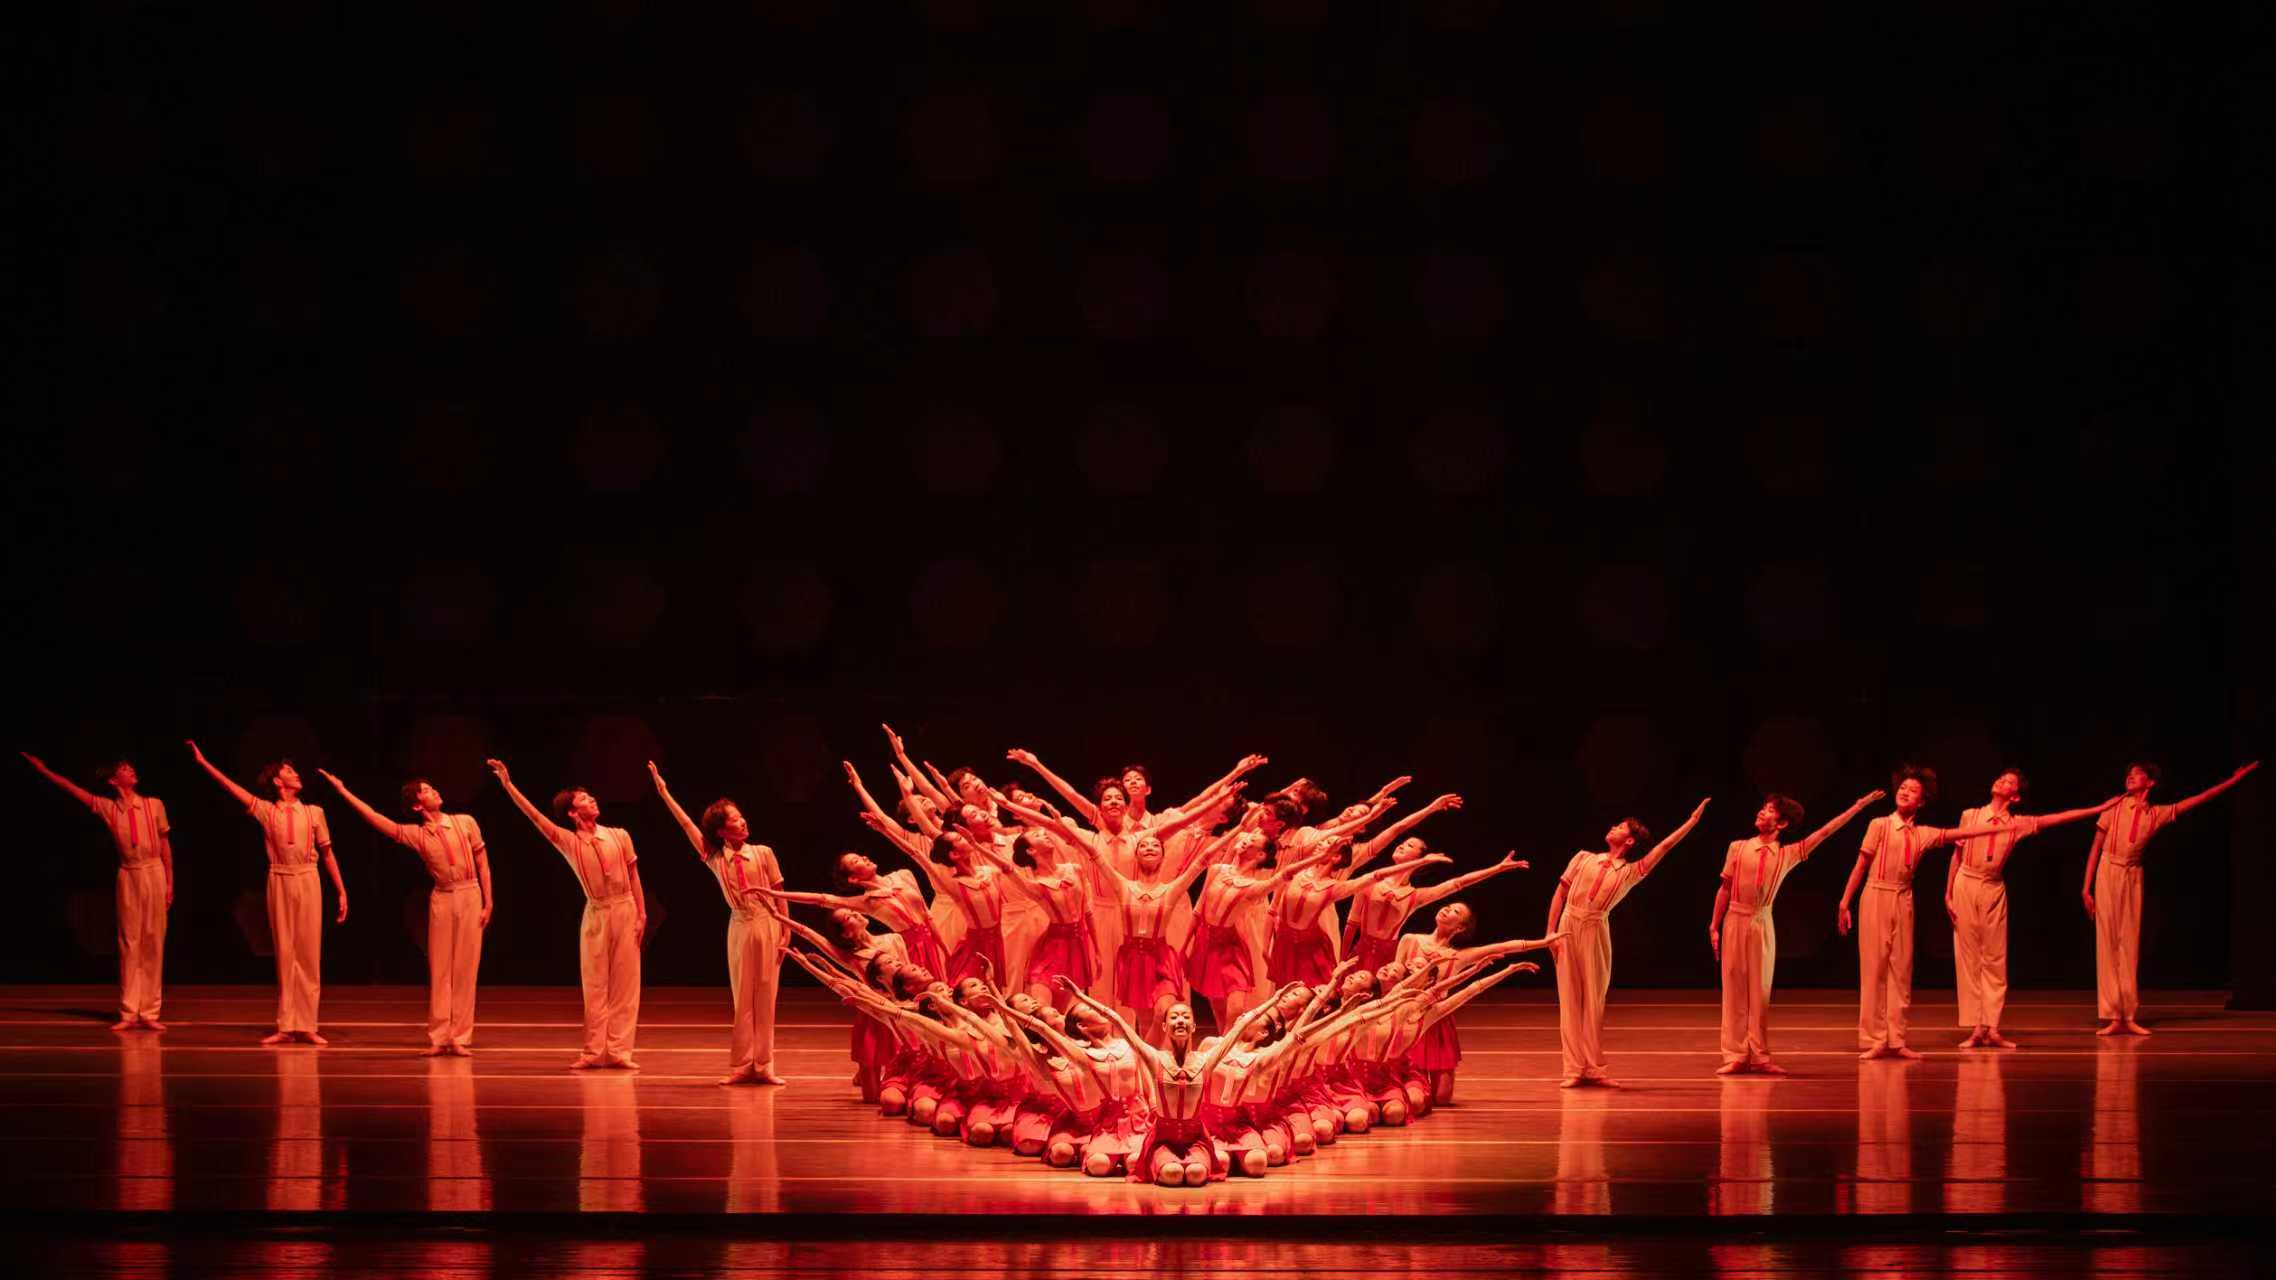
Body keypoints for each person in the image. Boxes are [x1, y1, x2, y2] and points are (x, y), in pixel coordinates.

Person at [1835, 767, 2032, 1060]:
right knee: (1874, 970)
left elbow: (1959, 834)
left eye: (1913, 790)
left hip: (1904, 898)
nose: (1905, 792)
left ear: (1922, 802)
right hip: (1876, 894)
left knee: (1901, 971)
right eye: (1903, 787)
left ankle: (1897, 1039)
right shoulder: (1879, 825)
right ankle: (1877, 1039)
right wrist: (1844, 902)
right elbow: (1861, 865)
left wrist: (1999, 827)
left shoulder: (1923, 833)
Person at [1710, 788, 1883, 1075]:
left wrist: (1858, 806)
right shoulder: (1737, 847)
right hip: (1734, 919)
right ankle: (1736, 1054)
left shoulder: (1787, 854)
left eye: (1770, 810)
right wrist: (1714, 925)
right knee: (1734, 988)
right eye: (1763, 807)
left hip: (1761, 921)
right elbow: (1724, 889)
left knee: (1759, 991)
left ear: (1782, 823)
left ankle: (1760, 1055)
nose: (1762, 811)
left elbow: (1825, 832)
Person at [1940, 770, 2118, 1048]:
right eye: (2001, 778)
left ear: (2015, 796)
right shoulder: (1970, 815)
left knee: (1994, 958)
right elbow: (1957, 854)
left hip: (1992, 886)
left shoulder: (2017, 824)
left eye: (2009, 782)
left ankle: (1993, 1027)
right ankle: (1976, 1028)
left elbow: (2057, 818)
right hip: (1966, 881)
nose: (2001, 781)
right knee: (1969, 958)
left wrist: (2098, 809)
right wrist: (1948, 892)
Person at [319, 767, 491, 1054]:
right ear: (416, 806)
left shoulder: (465, 822)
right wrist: (343, 790)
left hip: (470, 893)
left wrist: (489, 902)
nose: (434, 791)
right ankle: (440, 1037)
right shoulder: (417, 834)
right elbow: (376, 819)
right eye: (426, 791)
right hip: (443, 897)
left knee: (466, 967)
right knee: (441, 968)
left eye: (432, 787)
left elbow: (483, 863)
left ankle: (460, 1038)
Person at [488, 759, 647, 1069]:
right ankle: (593, 1051)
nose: (592, 800)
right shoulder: (570, 841)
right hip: (597, 912)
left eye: (590, 796)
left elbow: (634, 876)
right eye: (584, 799)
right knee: (595, 984)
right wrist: (508, 785)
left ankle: (619, 1051)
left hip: (625, 907)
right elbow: (535, 817)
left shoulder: (620, 835)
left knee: (626, 985)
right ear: (573, 813)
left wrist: (641, 914)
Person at [2082, 760, 2260, 1036]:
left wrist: (2232, 781)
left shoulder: (2157, 814)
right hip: (2108, 869)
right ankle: (2113, 1015)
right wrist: (2086, 888)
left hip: (2133, 873)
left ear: (2150, 782)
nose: (2131, 776)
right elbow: (2095, 846)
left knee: (2129, 943)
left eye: (2138, 774)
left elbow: (2198, 799)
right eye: (2129, 774)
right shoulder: (2113, 806)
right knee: (2108, 942)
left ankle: (2128, 1015)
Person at [187, 741, 347, 1045]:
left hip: (308, 877)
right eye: (289, 771)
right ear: (277, 781)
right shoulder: (266, 810)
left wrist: (341, 890)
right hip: (280, 877)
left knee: (308, 953)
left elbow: (328, 854)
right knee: (285, 951)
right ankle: (287, 1024)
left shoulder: (314, 812)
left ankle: (307, 1024)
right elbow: (233, 789)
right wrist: (204, 763)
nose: (296, 774)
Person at [1545, 799, 1710, 1086]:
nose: (1613, 827)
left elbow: (1664, 847)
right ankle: (1573, 1070)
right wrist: (1550, 932)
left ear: (1630, 840)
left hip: (1595, 929)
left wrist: (1692, 822)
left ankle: (1594, 1069)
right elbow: (1560, 894)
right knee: (1569, 1000)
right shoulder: (1583, 857)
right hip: (1568, 926)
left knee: (1593, 1001)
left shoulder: (1630, 872)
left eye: (1620, 826)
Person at [649, 761, 785, 1085]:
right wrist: (664, 792)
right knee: (742, 996)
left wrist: (787, 932)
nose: (743, 821)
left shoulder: (763, 853)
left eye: (741, 816)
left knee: (766, 995)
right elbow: (686, 825)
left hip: (768, 923)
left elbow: (781, 894)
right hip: (740, 925)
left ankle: (764, 1064)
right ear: (722, 831)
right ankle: (742, 1064)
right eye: (735, 819)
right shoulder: (714, 857)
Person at [21, 752, 173, 1031]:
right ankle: (129, 1011)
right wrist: (44, 770)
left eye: (131, 767)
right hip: (129, 873)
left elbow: (164, 844)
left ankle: (150, 1011)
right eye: (125, 769)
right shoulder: (108, 808)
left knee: (154, 940)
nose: (131, 770)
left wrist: (170, 882)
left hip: (154, 871)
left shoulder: (154, 804)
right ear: (114, 780)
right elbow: (72, 790)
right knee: (129, 941)